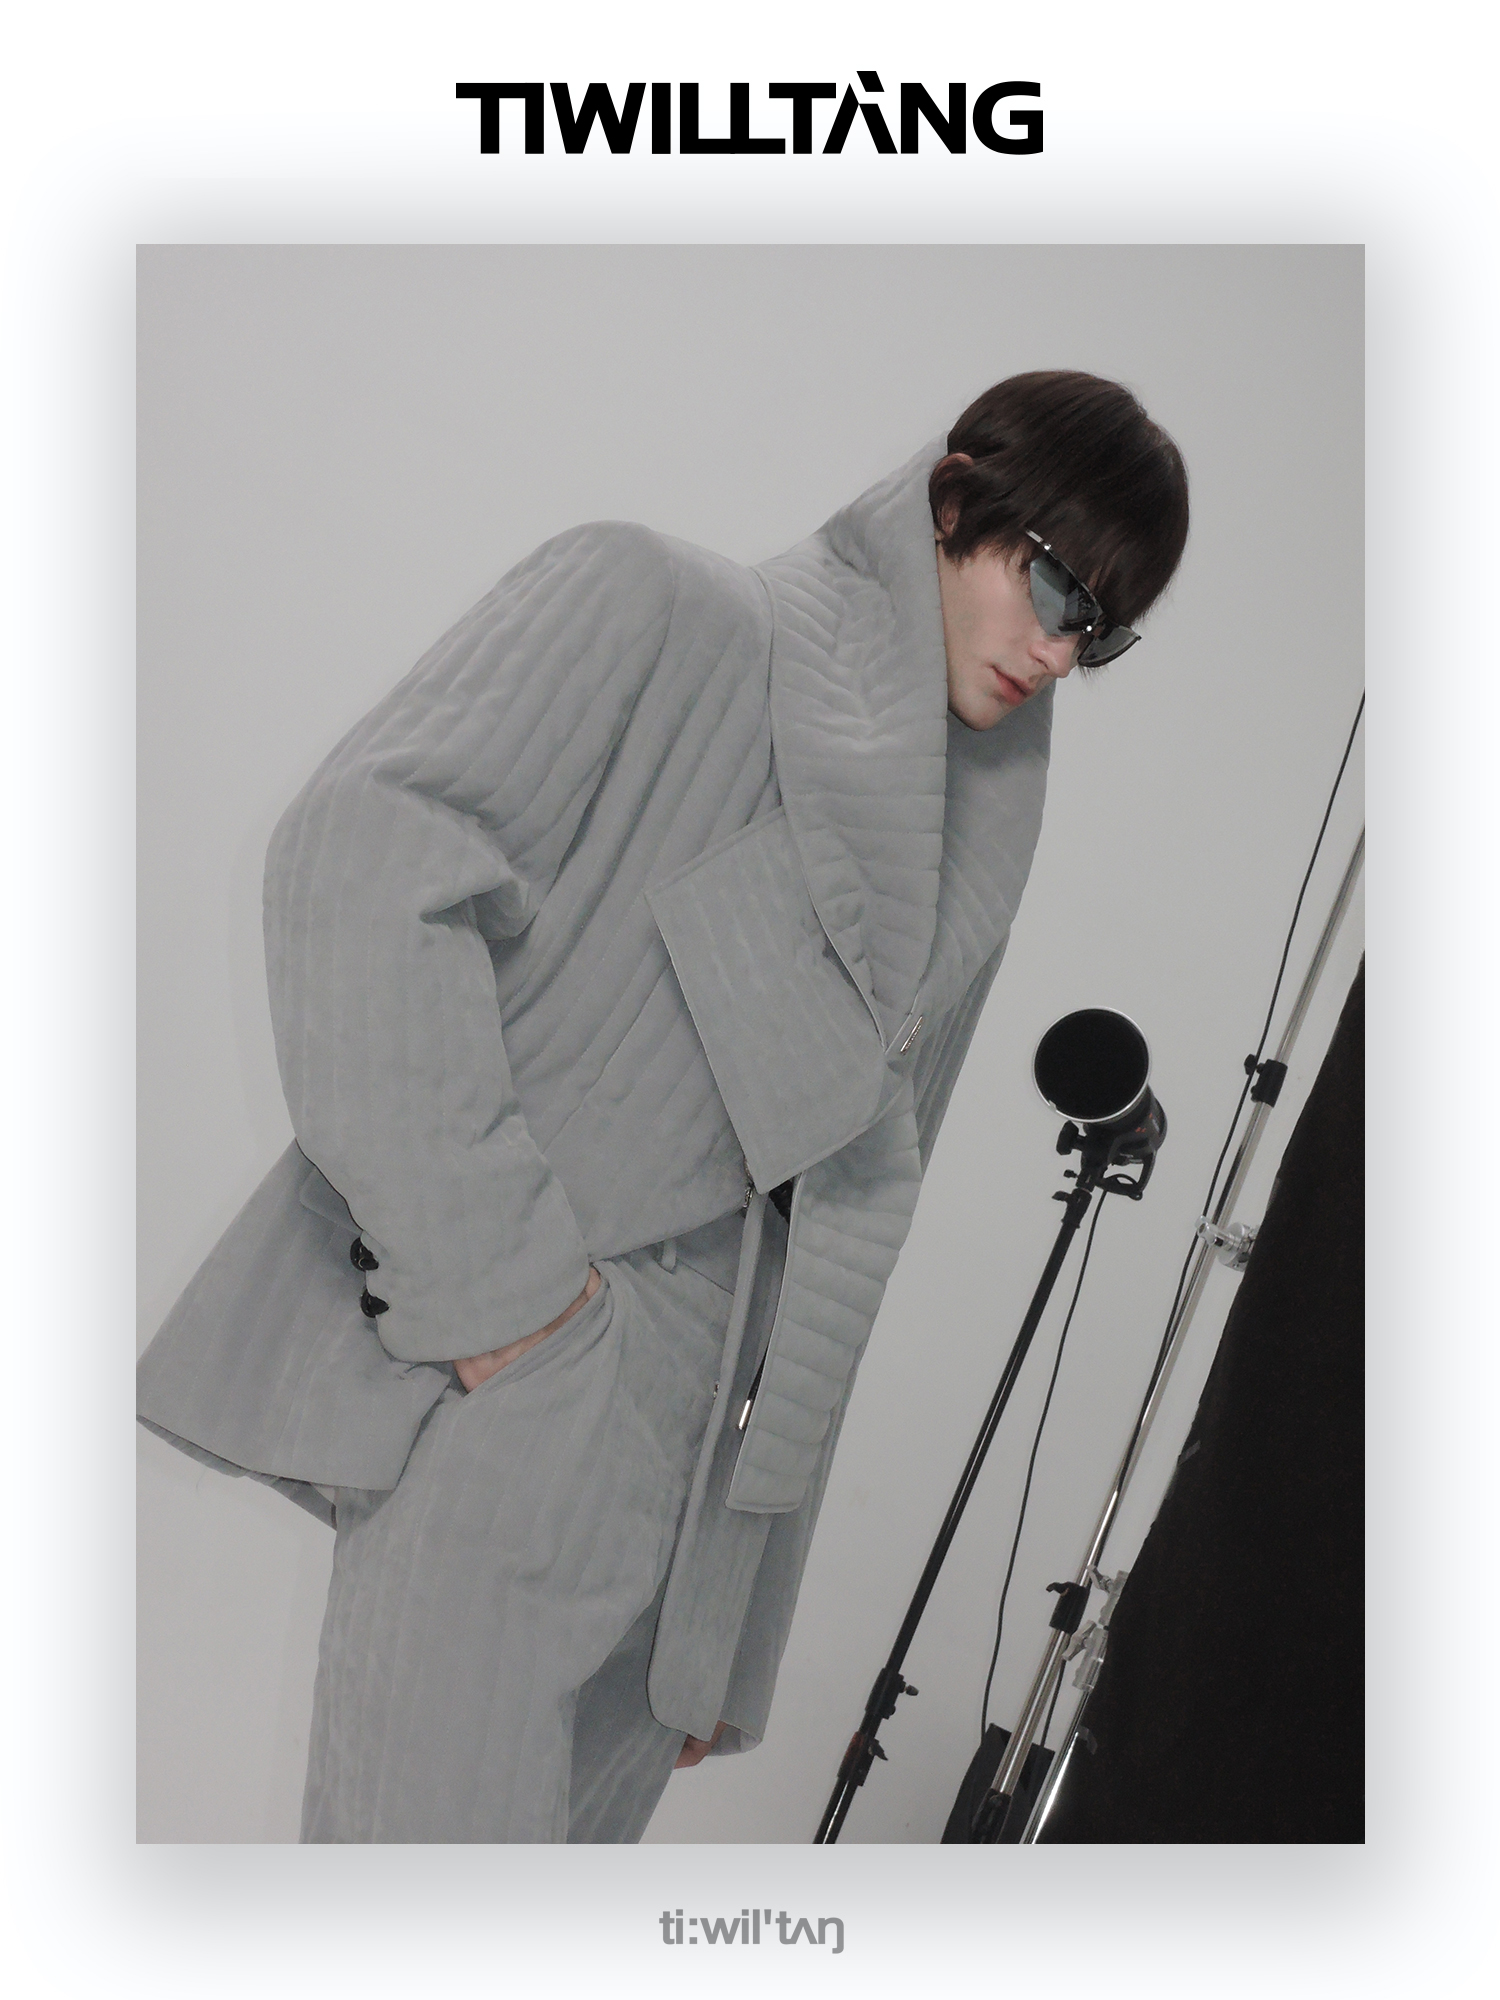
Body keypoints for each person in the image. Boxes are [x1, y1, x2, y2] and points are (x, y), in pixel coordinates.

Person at [137, 369, 1189, 1842]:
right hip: (522, 1400)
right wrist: (508, 1306)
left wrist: (733, 1617)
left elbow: (854, 1225)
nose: (1062, 651)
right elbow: (356, 862)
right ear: (955, 498)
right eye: (1061, 587)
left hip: (697, 1528)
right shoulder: (659, 606)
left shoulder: (962, 884)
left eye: (1104, 631)